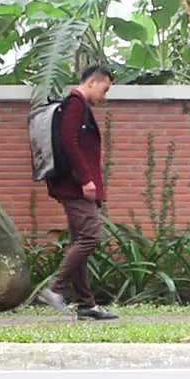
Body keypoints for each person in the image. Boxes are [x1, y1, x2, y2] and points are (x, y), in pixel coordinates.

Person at [37, 64, 118, 321]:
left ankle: (86, 305)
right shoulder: (75, 104)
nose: (104, 96)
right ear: (92, 82)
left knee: (80, 241)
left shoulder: (77, 105)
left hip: (72, 185)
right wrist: (86, 180)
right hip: (75, 186)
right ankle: (54, 289)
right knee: (90, 236)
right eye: (104, 89)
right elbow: (69, 143)